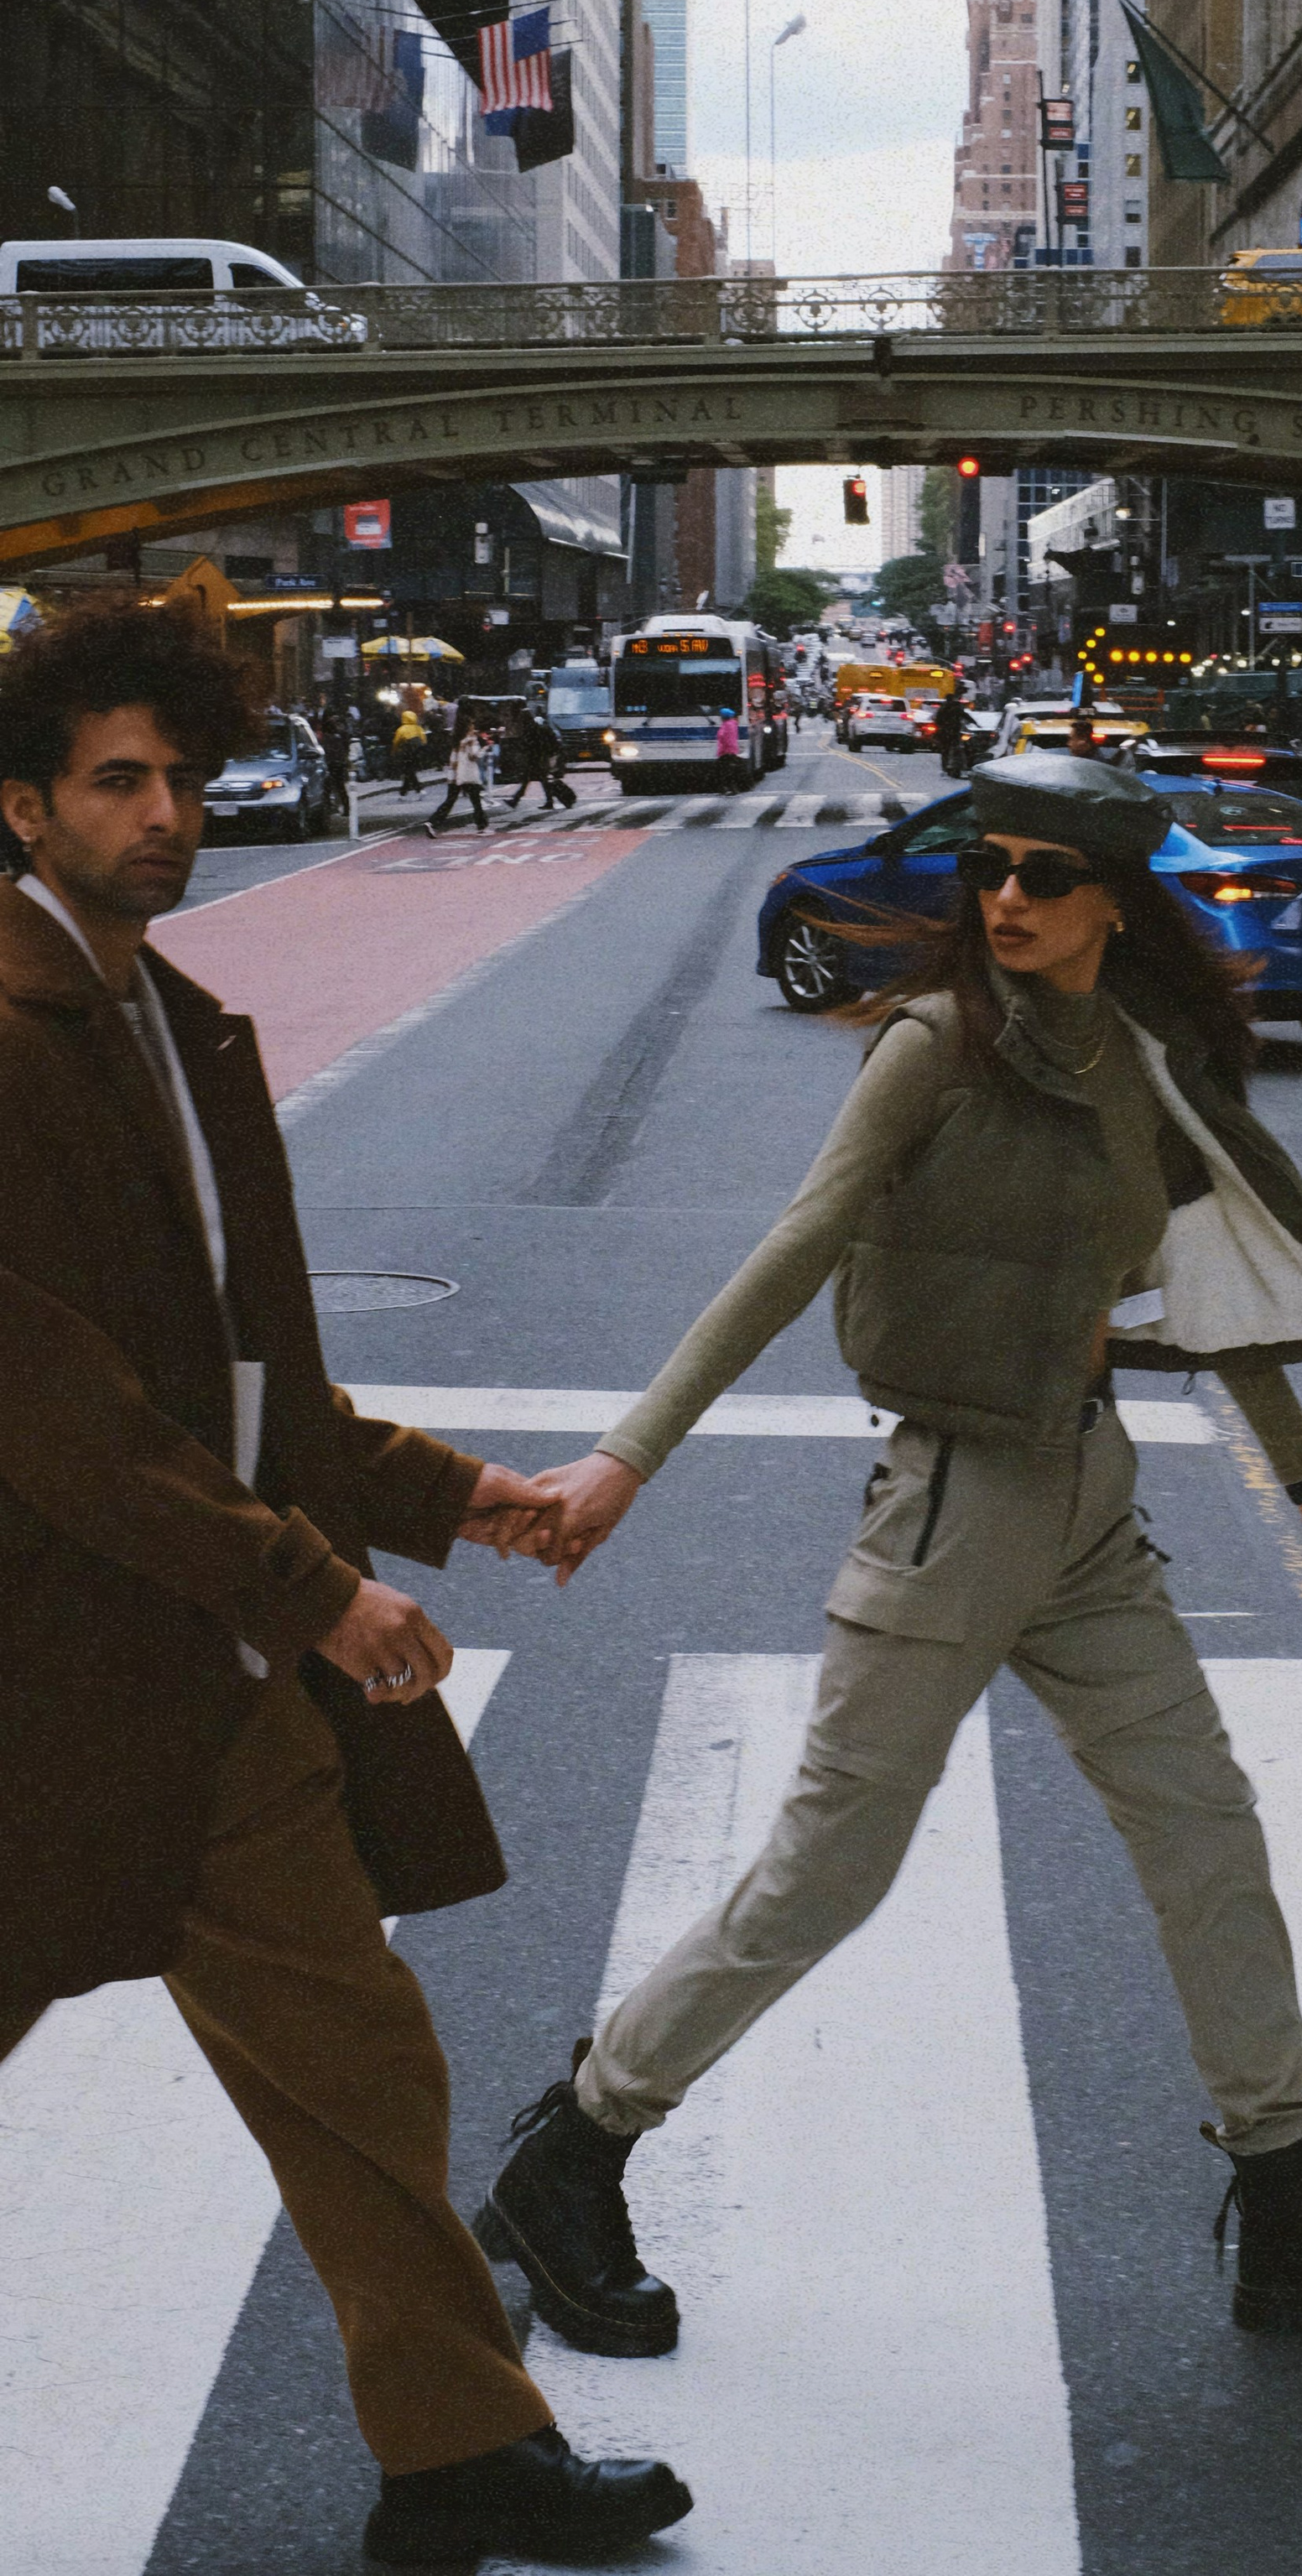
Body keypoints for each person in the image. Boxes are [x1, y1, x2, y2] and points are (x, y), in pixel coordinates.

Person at [485, 753, 1302, 2355]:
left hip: (1086, 1503)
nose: (1005, 899)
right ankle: (581, 2147)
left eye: (1041, 875)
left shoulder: (1139, 1064)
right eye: (990, 871)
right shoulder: (936, 1047)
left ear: (1110, 901)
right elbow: (795, 1243)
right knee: (831, 1868)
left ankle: (1286, 2199)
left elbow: (1209, 1275)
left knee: (1208, 1838)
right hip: (954, 1498)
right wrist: (629, 1455)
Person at [0, 606, 690, 2568]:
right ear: (20, 800)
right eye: (117, 779)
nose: (165, 815)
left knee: (358, 2050)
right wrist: (318, 1591)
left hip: (196, 1681)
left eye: (185, 776)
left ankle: (457, 2446)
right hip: (47, 1670)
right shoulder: (7, 1037)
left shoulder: (167, 1017)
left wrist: (452, 1493)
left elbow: (242, 1383)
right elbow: (55, 1408)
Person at [426, 712, 488, 839]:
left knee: (450, 801)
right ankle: (481, 826)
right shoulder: (471, 739)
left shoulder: (456, 738)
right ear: (468, 726)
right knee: (476, 801)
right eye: (471, 724)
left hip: (454, 774)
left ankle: (432, 823)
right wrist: (486, 748)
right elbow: (474, 756)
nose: (473, 726)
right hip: (468, 775)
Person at [391, 700, 430, 797]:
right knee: (410, 771)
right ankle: (404, 792)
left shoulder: (401, 729)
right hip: (417, 753)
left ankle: (418, 789)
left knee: (408, 771)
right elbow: (424, 740)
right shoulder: (418, 728)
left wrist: (394, 751)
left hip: (406, 753)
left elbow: (396, 742)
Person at [935, 681, 968, 778]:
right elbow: (965, 715)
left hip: (946, 732)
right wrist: (975, 723)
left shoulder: (944, 708)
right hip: (954, 732)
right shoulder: (956, 707)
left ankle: (946, 767)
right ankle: (955, 766)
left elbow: (938, 720)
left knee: (945, 751)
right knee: (956, 749)